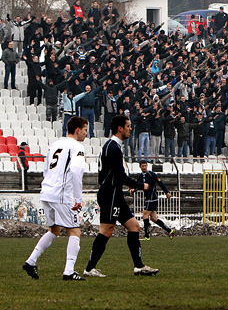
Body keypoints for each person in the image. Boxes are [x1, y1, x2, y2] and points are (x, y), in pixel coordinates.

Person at [84, 115, 158, 277]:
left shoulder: (114, 146)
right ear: (120, 128)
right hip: (109, 194)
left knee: (134, 227)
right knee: (106, 230)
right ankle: (89, 269)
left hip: (115, 194)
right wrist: (140, 185)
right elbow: (120, 176)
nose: (130, 128)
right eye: (128, 126)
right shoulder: (112, 147)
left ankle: (139, 266)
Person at [23, 117, 89, 280]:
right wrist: (78, 198)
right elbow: (76, 171)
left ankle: (31, 261)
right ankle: (69, 271)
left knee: (54, 229)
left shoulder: (55, 144)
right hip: (61, 194)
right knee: (75, 231)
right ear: (78, 130)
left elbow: (46, 169)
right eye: (86, 130)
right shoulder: (77, 146)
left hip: (47, 191)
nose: (87, 134)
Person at [130, 160, 175, 240]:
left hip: (152, 198)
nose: (144, 167)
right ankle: (169, 230)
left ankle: (147, 236)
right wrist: (133, 190)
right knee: (154, 218)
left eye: (145, 166)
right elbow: (139, 186)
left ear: (147, 166)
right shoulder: (140, 176)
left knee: (145, 215)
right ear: (140, 167)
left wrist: (167, 192)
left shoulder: (151, 174)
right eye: (142, 166)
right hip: (148, 198)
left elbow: (160, 183)